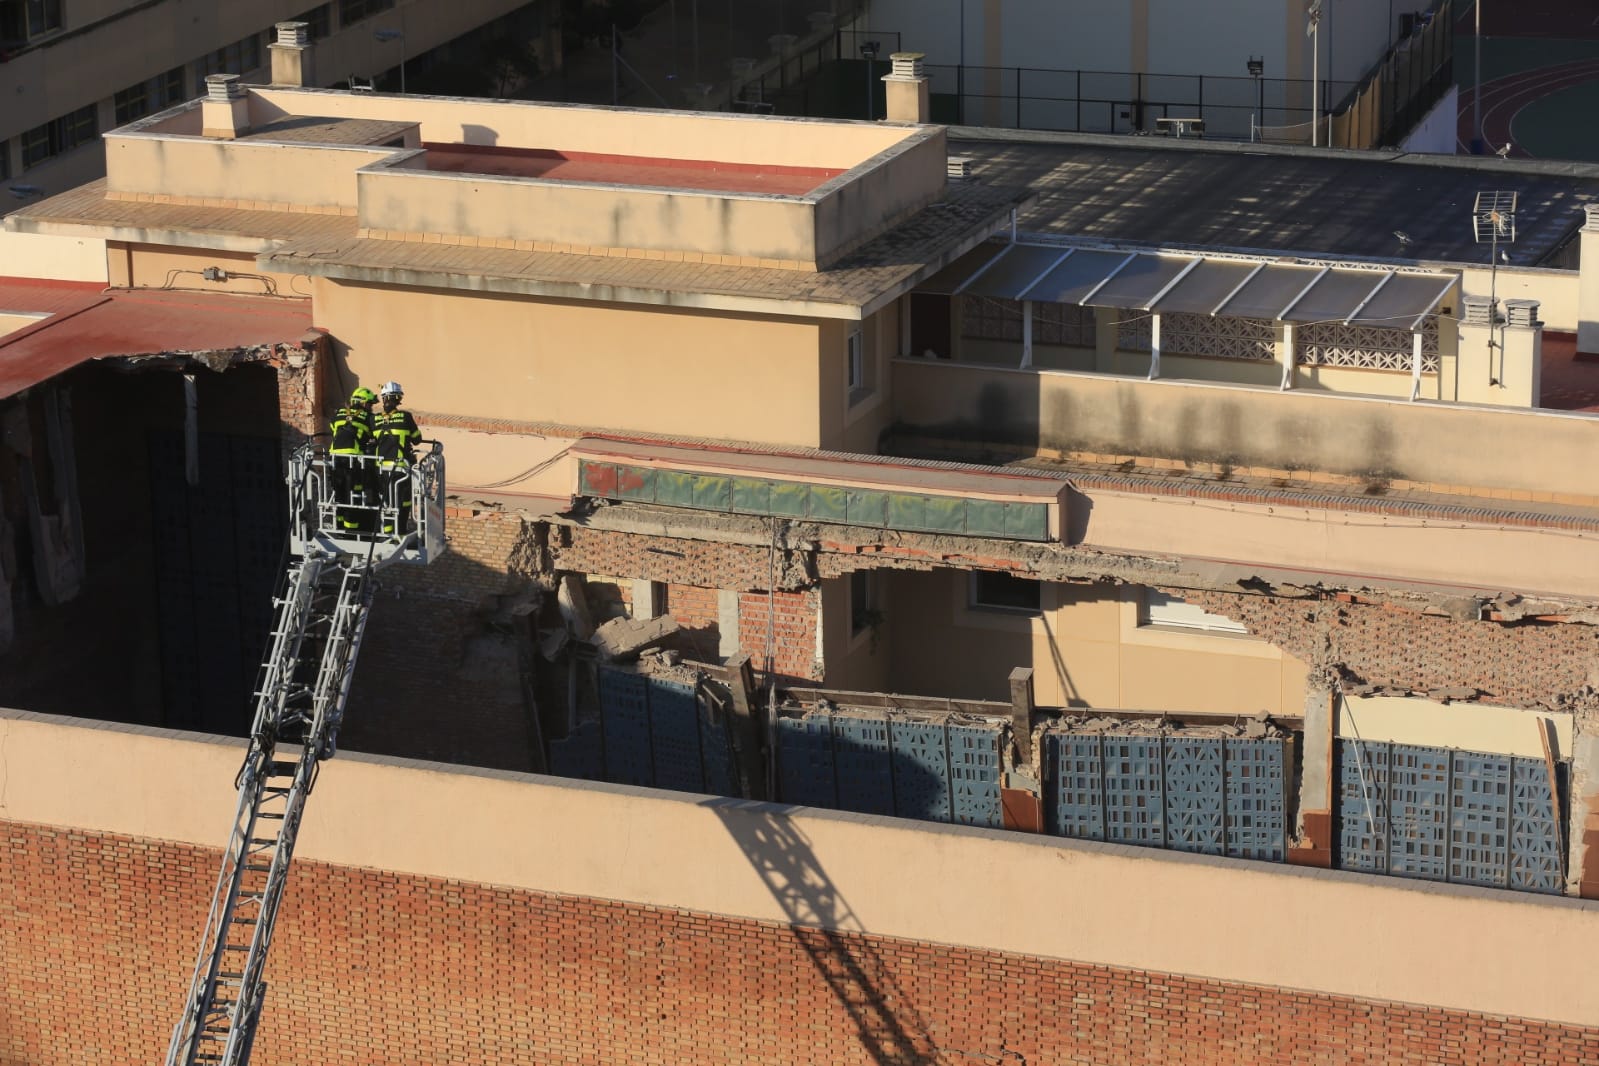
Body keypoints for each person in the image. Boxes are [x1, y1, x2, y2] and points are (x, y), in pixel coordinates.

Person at [372, 381, 421, 537]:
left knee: (385, 500)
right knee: (403, 500)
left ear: (384, 398)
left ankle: (387, 532)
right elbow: (417, 439)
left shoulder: (375, 420)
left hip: (381, 469)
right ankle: (400, 531)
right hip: (401, 469)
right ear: (397, 398)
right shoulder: (405, 417)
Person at [328, 386, 377, 535]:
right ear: (361, 403)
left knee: (339, 494)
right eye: (369, 404)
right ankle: (352, 531)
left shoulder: (338, 414)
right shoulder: (368, 418)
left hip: (334, 460)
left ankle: (339, 527)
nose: (371, 407)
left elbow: (332, 428)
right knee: (352, 497)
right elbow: (375, 434)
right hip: (352, 461)